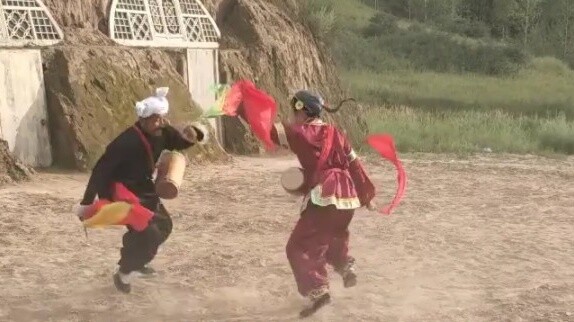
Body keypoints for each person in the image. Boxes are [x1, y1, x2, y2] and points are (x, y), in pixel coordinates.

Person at [75, 87, 208, 294]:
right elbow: (100, 170)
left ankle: (137, 258)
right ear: (144, 120)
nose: (161, 122)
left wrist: (193, 135)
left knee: (164, 226)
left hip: (145, 188)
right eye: (156, 119)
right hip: (124, 191)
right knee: (149, 233)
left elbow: (178, 143)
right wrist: (87, 201)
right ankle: (124, 273)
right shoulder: (125, 142)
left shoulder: (163, 131)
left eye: (162, 117)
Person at [266, 90, 377, 317]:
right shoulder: (338, 133)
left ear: (302, 110)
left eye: (294, 110)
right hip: (347, 197)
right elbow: (355, 165)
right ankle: (345, 265)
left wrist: (246, 110)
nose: (292, 116)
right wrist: (366, 196)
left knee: (298, 246)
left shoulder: (300, 132)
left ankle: (318, 289)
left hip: (325, 195)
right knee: (332, 236)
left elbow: (270, 132)